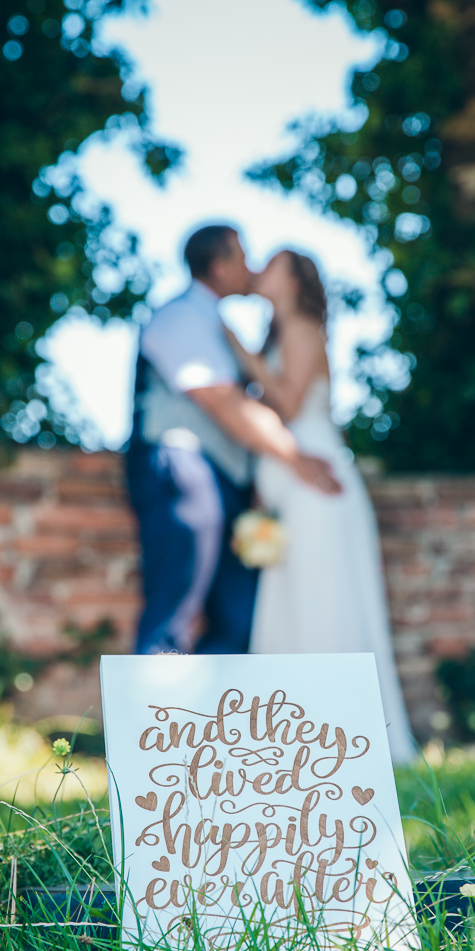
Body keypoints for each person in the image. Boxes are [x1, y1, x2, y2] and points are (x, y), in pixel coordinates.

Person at [227, 248, 418, 762]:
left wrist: (240, 354)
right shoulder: (279, 333)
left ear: (292, 279)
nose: (259, 270)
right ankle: (292, 743)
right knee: (291, 598)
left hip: (316, 480)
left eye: (271, 263)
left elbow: (287, 404)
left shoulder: (303, 327)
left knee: (321, 599)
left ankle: (340, 736)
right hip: (289, 482)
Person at [126, 224, 341, 656]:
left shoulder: (218, 326)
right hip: (182, 466)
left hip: (227, 482)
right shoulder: (182, 317)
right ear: (221, 268)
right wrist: (295, 457)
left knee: (240, 619)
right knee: (175, 607)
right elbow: (220, 400)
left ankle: (205, 722)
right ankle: (148, 721)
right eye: (244, 257)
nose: (253, 267)